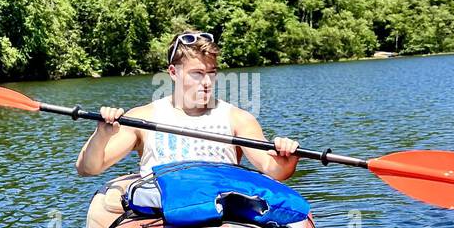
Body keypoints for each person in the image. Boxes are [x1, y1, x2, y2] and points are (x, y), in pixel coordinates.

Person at [75, 30, 300, 179]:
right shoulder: (143, 118)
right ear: (173, 72)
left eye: (211, 73)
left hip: (221, 209)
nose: (206, 82)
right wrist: (102, 134)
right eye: (197, 73)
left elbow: (273, 170)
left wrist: (287, 157)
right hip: (160, 213)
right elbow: (88, 169)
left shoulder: (238, 119)